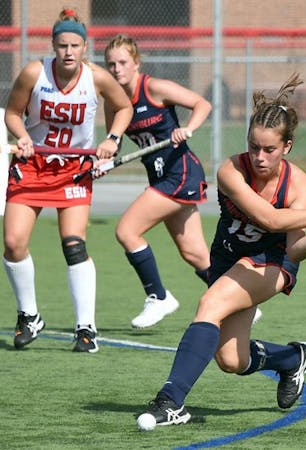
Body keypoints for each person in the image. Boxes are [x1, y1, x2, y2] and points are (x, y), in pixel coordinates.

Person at [134, 73, 306, 429]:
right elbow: (269, 219)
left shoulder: (297, 184)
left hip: (272, 262)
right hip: (228, 258)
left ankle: (171, 402)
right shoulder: (231, 170)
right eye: (253, 146)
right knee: (230, 359)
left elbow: (296, 248)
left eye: (269, 150)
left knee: (208, 305)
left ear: (287, 146)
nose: (259, 157)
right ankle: (291, 358)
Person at [101, 34, 265, 329]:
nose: (116, 69)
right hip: (161, 176)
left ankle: (158, 297)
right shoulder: (114, 103)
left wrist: (187, 128)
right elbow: (114, 143)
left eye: (123, 62)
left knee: (127, 231)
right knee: (195, 254)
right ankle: (243, 301)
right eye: (110, 64)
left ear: (136, 63)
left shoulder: (154, 88)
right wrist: (104, 159)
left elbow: (202, 104)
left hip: (181, 172)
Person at [2, 8, 133, 353]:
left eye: (75, 45)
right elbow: (12, 114)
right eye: (62, 45)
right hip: (31, 166)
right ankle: (29, 316)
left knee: (74, 244)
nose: (69, 52)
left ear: (85, 47)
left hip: (73, 169)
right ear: (53, 46)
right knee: (14, 243)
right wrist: (22, 136)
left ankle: (86, 328)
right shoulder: (35, 73)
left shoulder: (97, 78)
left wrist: (112, 140)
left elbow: (124, 108)